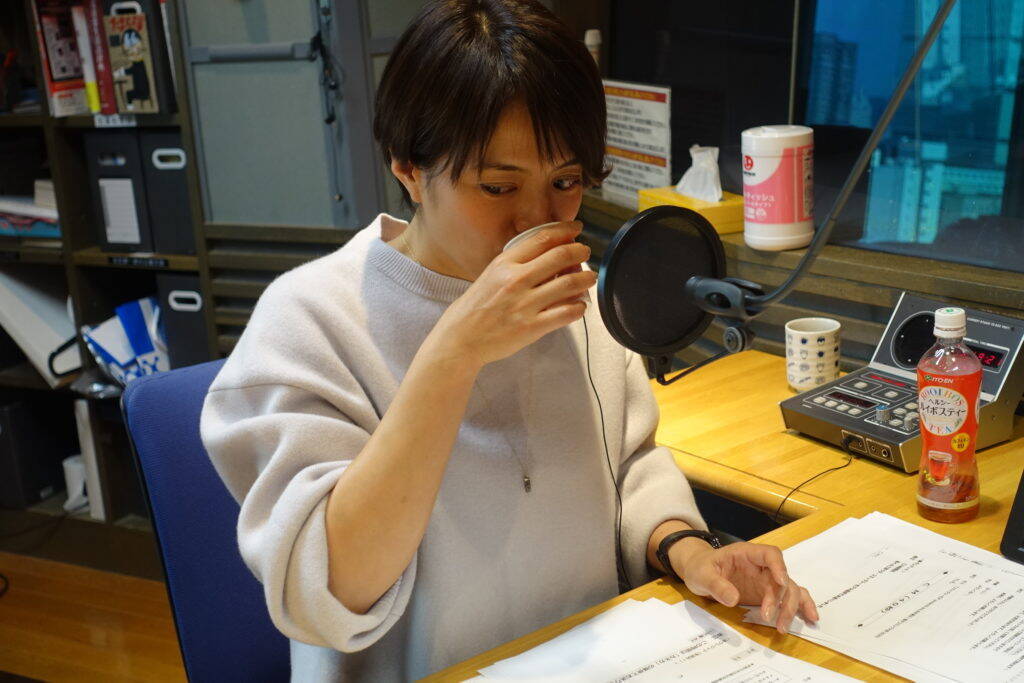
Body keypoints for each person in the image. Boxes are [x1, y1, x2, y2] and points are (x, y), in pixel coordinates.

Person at [200, 1, 818, 679]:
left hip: (593, 659)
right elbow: (331, 587)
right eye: (497, 186)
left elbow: (629, 461)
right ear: (408, 166)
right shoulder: (310, 324)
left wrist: (689, 548)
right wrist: (455, 352)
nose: (537, 220)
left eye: (565, 182)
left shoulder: (576, 299)